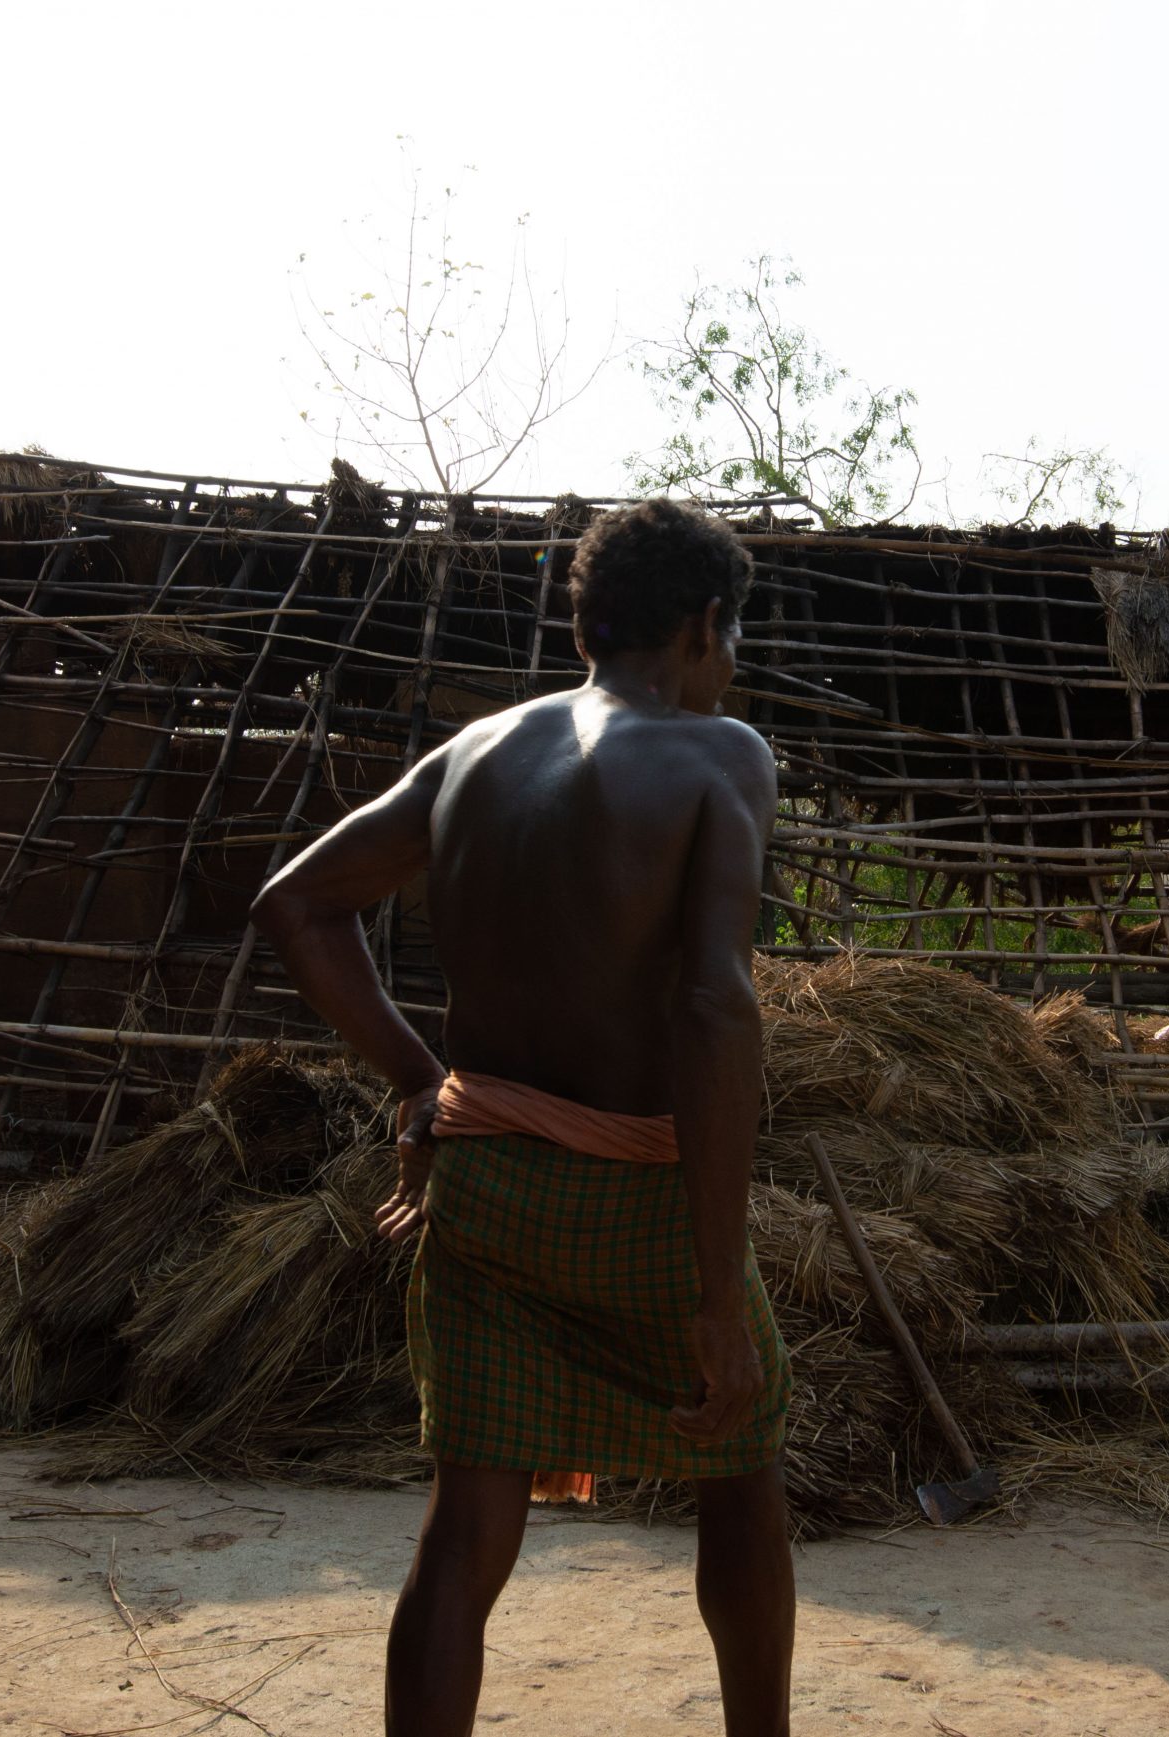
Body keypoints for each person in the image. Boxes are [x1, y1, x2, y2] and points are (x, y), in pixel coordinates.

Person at [250, 499, 794, 1737]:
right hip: (644, 1198)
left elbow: (294, 907)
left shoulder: (476, 753)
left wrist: (413, 1079)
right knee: (741, 1474)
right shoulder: (722, 756)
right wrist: (717, 1290)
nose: (735, 663)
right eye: (734, 636)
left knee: (464, 1533)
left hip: (484, 1190)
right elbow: (715, 1008)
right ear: (705, 625)